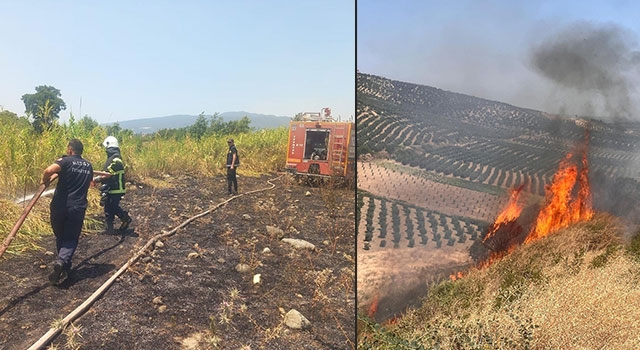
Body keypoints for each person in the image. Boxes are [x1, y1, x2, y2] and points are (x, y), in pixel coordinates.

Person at [41, 139, 93, 285]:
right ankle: (62, 262)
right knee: (70, 238)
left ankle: (63, 265)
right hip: (77, 207)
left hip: (59, 206)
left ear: (70, 149)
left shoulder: (65, 161)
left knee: (60, 236)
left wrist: (44, 180)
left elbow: (48, 170)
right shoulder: (88, 166)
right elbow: (91, 183)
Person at [95, 136, 132, 234]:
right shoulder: (112, 159)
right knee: (108, 208)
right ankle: (110, 229)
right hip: (111, 189)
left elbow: (107, 174)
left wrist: (95, 179)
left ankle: (125, 218)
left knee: (113, 207)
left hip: (116, 189)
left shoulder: (116, 160)